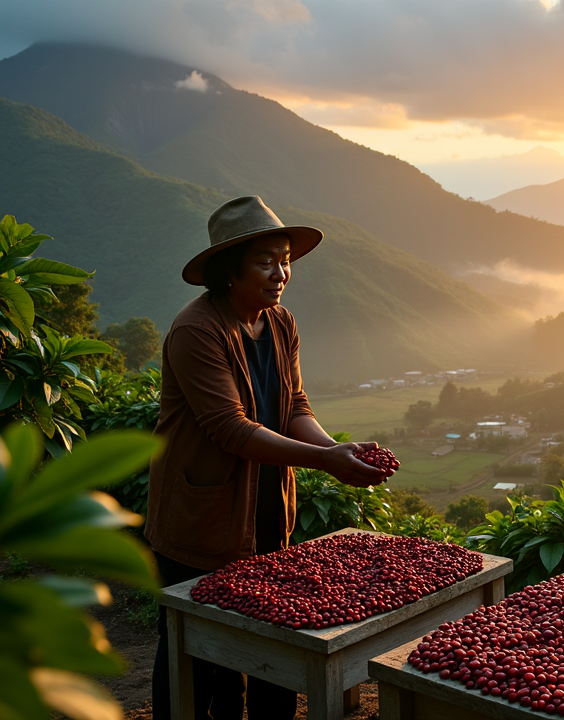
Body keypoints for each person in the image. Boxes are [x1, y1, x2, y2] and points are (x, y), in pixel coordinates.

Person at [145, 195, 393, 720]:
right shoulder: (197, 331)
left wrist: (336, 450)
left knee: (263, 642)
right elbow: (229, 429)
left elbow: (293, 406)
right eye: (265, 261)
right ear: (228, 271)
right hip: (202, 517)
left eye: (284, 260)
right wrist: (326, 463)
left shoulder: (280, 323)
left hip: (265, 509)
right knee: (198, 656)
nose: (280, 272)